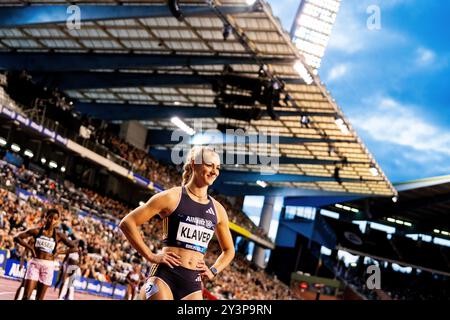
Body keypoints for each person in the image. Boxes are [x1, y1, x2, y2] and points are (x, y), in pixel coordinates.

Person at [119, 146, 235, 300]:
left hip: (192, 283)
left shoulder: (218, 210)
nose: (214, 172)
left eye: (217, 168)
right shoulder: (171, 197)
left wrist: (213, 270)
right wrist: (150, 256)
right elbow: (128, 222)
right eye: (209, 165)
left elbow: (229, 250)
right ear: (194, 164)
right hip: (164, 276)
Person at [13, 208, 75, 300]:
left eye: (54, 219)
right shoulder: (36, 231)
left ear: (57, 221)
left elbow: (74, 248)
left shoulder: (59, 235)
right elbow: (17, 238)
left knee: (39, 298)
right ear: (46, 217)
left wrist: (59, 252)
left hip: (48, 266)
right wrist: (30, 248)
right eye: (50, 218)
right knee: (26, 297)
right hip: (35, 264)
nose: (52, 221)